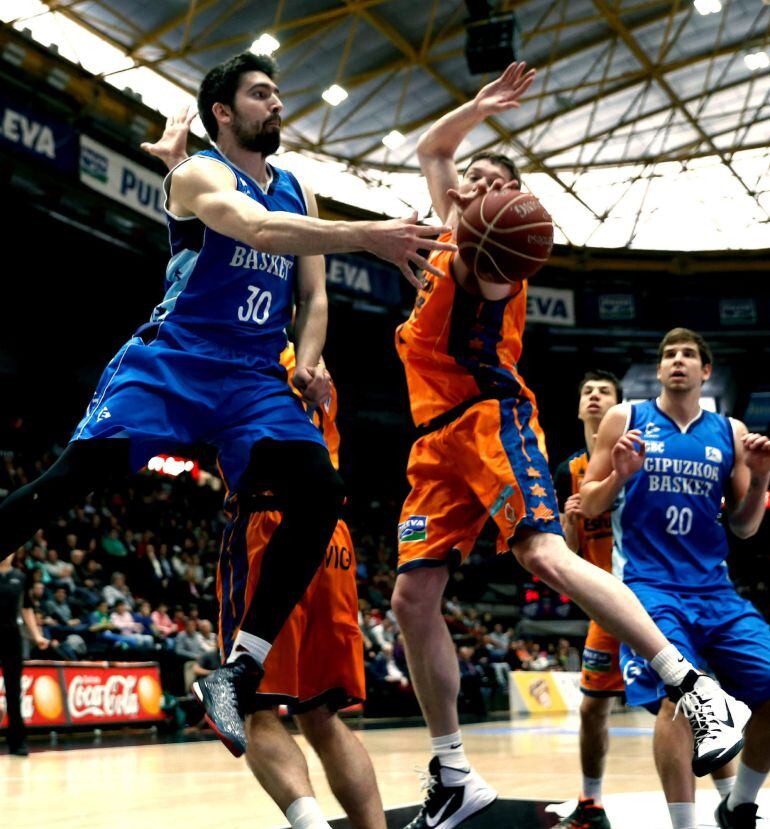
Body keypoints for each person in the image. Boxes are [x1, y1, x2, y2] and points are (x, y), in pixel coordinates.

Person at [0, 50, 454, 756]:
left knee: (318, 491)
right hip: (177, 360)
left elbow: (314, 297)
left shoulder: (296, 186)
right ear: (223, 110)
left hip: (251, 378)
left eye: (277, 93)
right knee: (69, 483)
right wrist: (367, 235)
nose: (277, 104)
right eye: (261, 94)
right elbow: (258, 230)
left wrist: (306, 363)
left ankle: (238, 671)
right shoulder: (199, 172)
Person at [387, 62, 749, 829]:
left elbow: (474, 215)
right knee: (411, 599)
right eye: (471, 175)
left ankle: (691, 686)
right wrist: (478, 109)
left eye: (487, 180)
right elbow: (431, 151)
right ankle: (453, 773)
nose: (467, 180)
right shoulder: (458, 224)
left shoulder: (494, 254)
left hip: (488, 418)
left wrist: (480, 203)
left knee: (546, 555)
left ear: (503, 206)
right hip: (432, 439)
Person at [581, 328, 770, 829]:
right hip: (648, 588)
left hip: (716, 590)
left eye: (689, 354)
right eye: (669, 355)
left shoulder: (729, 431)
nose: (678, 361)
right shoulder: (627, 418)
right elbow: (588, 505)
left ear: (706, 372)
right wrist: (619, 475)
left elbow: (746, 526)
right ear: (660, 370)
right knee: (679, 696)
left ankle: (740, 805)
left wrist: (763, 478)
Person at [551, 370, 624, 829]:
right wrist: (573, 523)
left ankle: (727, 798)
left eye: (605, 392)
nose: (595, 397)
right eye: (587, 392)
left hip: (649, 594)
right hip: (604, 605)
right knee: (591, 706)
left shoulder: (635, 455)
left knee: (683, 706)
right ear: (579, 407)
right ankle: (591, 804)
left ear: (619, 406)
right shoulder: (567, 471)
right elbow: (566, 552)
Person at [0, 554, 50, 755]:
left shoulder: (20, 577)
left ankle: (17, 742)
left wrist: (37, 635)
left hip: (12, 636)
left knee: (13, 691)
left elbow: (26, 608)